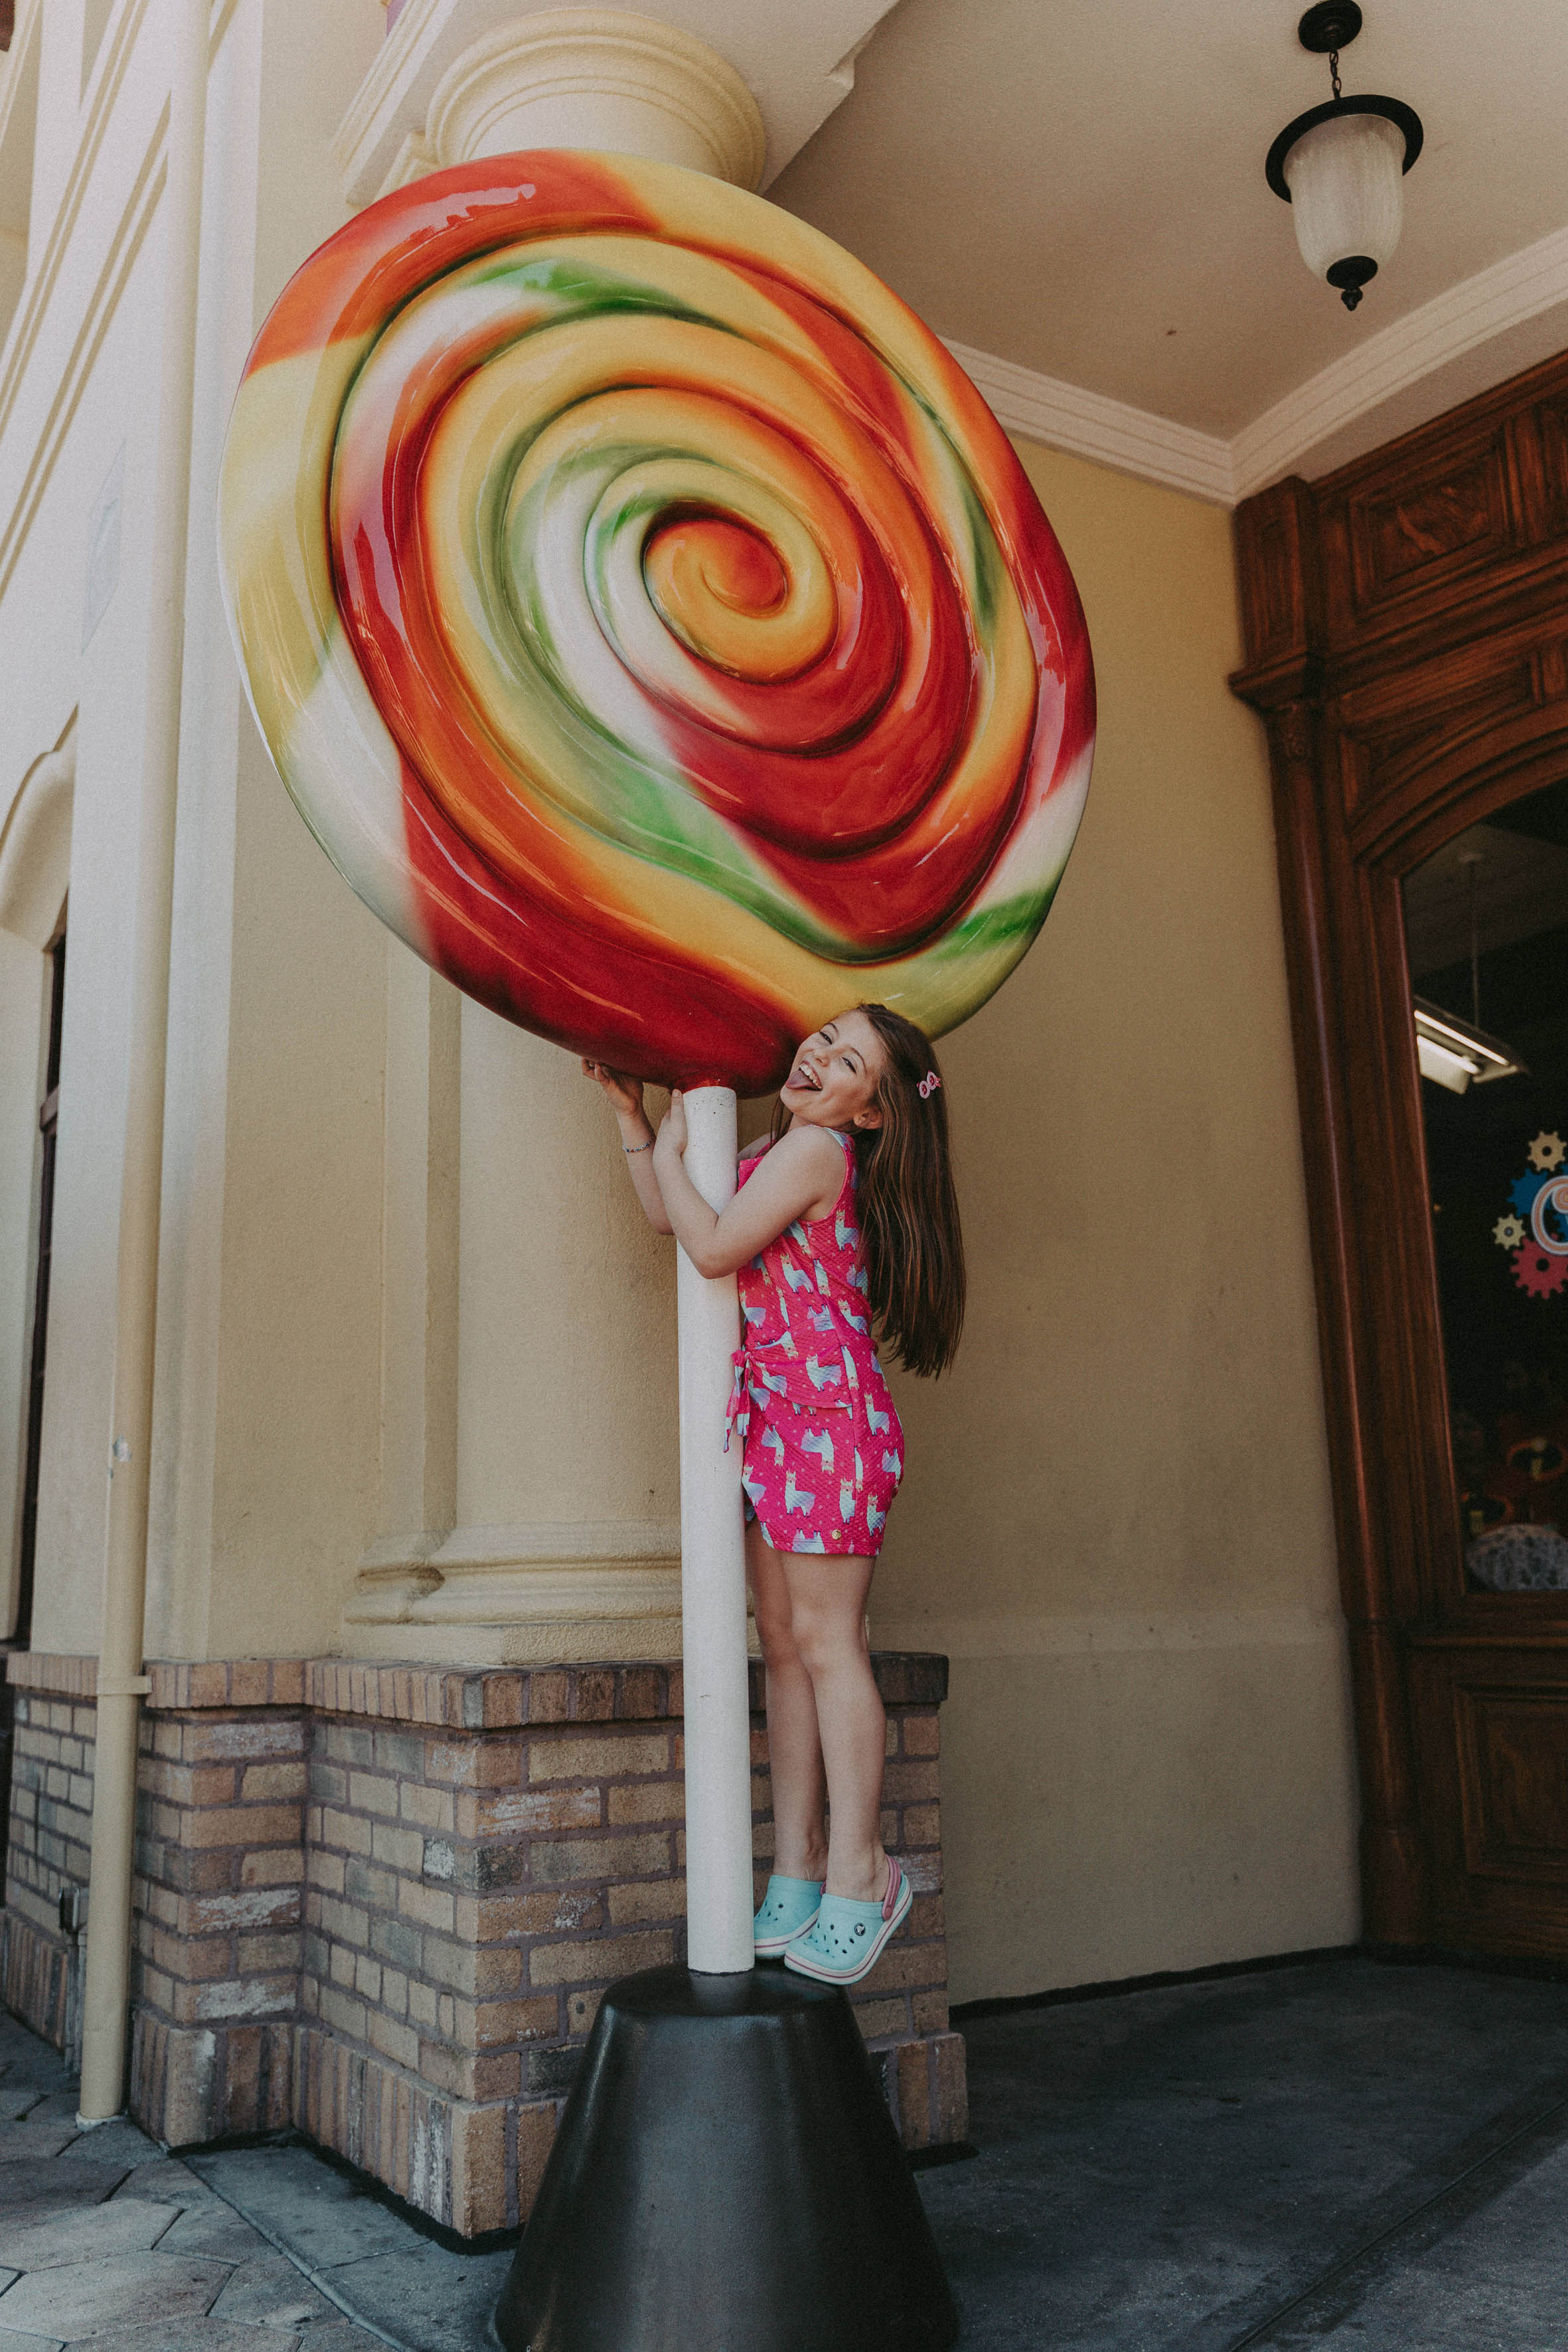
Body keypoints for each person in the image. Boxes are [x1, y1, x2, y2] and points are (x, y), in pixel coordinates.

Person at [584, 1004, 965, 1985]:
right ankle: (796, 1870)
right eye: (823, 1037)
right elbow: (678, 1217)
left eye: (846, 1061)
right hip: (782, 1425)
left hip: (827, 1424)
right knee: (787, 1653)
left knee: (829, 1650)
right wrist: (647, 1120)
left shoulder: (816, 1153)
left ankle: (860, 1875)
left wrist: (678, 1116)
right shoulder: (778, 1146)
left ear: (869, 1112)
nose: (816, 1056)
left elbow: (712, 1251)